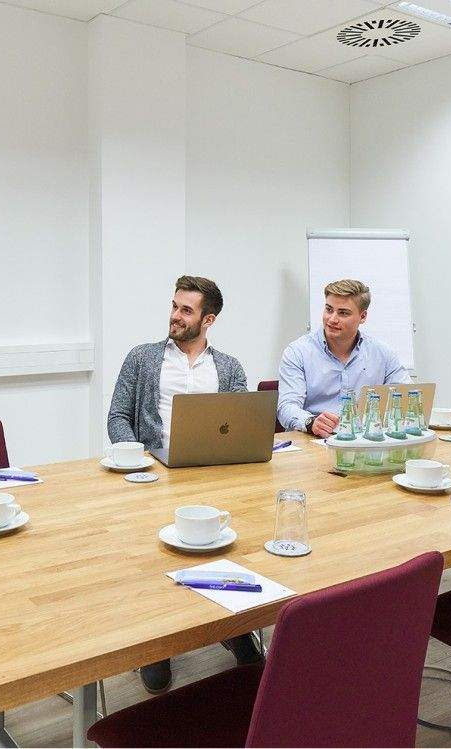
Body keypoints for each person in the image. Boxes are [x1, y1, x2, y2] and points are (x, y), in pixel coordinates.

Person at [106, 275, 261, 692]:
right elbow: (117, 417)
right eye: (174, 306)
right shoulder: (142, 358)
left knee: (226, 551)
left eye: (186, 310)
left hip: (210, 476)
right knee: (159, 558)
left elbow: (240, 424)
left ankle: (234, 627)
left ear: (208, 320)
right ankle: (158, 645)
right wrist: (139, 459)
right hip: (155, 476)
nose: (175, 315)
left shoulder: (229, 367)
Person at [277, 279, 411, 436]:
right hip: (313, 438)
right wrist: (310, 422)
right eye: (329, 310)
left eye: (343, 313)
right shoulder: (298, 352)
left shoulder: (382, 353)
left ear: (362, 316)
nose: (332, 319)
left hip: (363, 440)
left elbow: (408, 398)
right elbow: (287, 406)